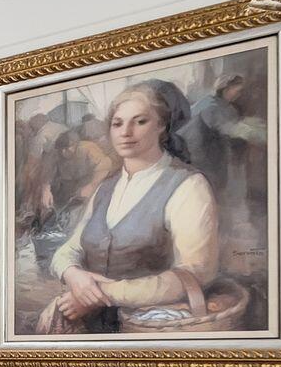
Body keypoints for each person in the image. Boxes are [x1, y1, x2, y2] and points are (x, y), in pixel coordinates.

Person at [47, 80, 219, 334]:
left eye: (140, 122)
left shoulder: (188, 186)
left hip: (150, 330)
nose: (125, 132)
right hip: (93, 328)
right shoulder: (106, 187)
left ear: (161, 126)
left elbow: (195, 272)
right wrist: (74, 275)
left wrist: (100, 293)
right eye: (117, 123)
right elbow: (70, 249)